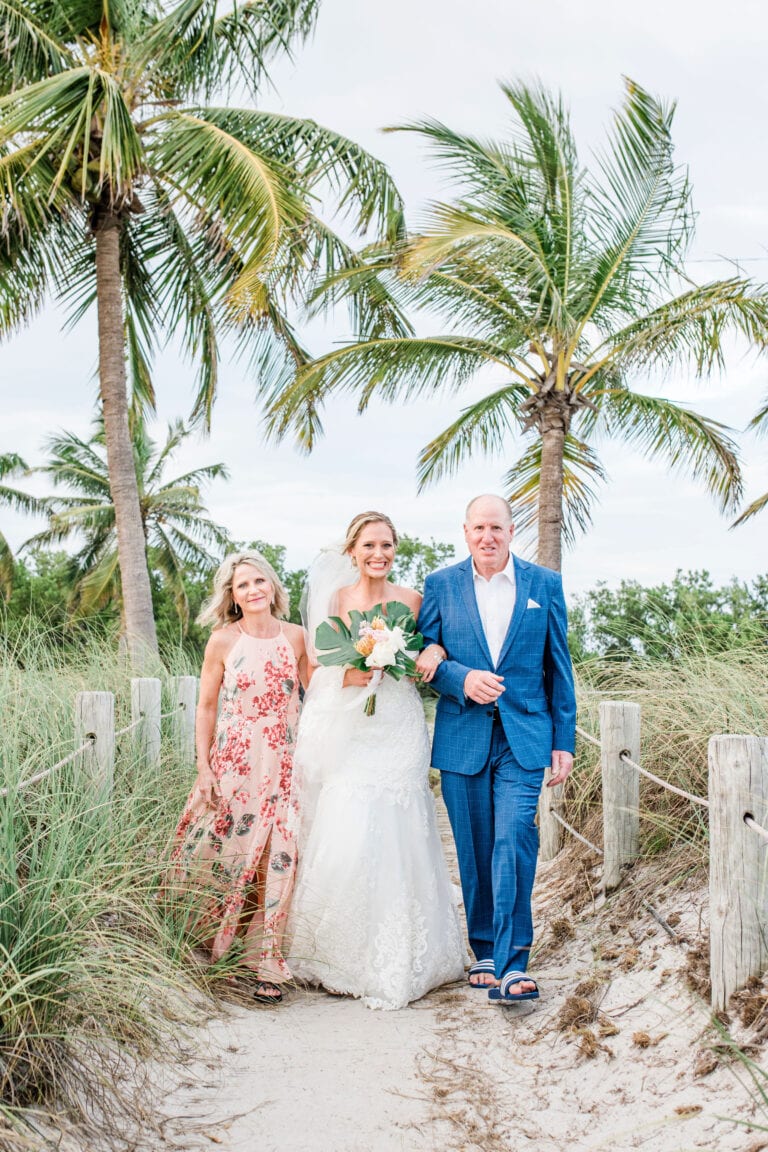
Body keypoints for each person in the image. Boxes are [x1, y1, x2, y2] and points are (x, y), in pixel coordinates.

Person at [288, 511, 466, 1010]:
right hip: (355, 724)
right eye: (369, 545)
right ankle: (338, 953)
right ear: (352, 552)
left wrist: (411, 656)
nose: (378, 554)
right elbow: (323, 669)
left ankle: (406, 951)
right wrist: (366, 663)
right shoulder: (337, 601)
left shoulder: (413, 600)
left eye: (386, 545)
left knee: (402, 820)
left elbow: (433, 650)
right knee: (348, 819)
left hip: (399, 724)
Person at [415, 495, 576, 1005]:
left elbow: (559, 667)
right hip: (463, 737)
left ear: (512, 531)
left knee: (512, 840)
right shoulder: (441, 585)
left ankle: (512, 964)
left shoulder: (543, 586)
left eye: (497, 528)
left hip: (525, 738)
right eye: (479, 528)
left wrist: (564, 741)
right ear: (465, 532)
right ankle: (483, 946)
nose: (488, 536)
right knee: (474, 847)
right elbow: (422, 659)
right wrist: (462, 677)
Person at [168, 551, 308, 1004]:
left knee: (278, 855)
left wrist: (371, 664)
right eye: (242, 585)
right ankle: (214, 946)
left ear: (273, 586)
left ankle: (267, 959)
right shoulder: (222, 641)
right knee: (227, 853)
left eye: (259, 581)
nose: (253, 590)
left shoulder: (298, 637)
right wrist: (203, 766)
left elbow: (321, 693)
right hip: (235, 763)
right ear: (232, 595)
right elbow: (206, 706)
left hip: (286, 761)